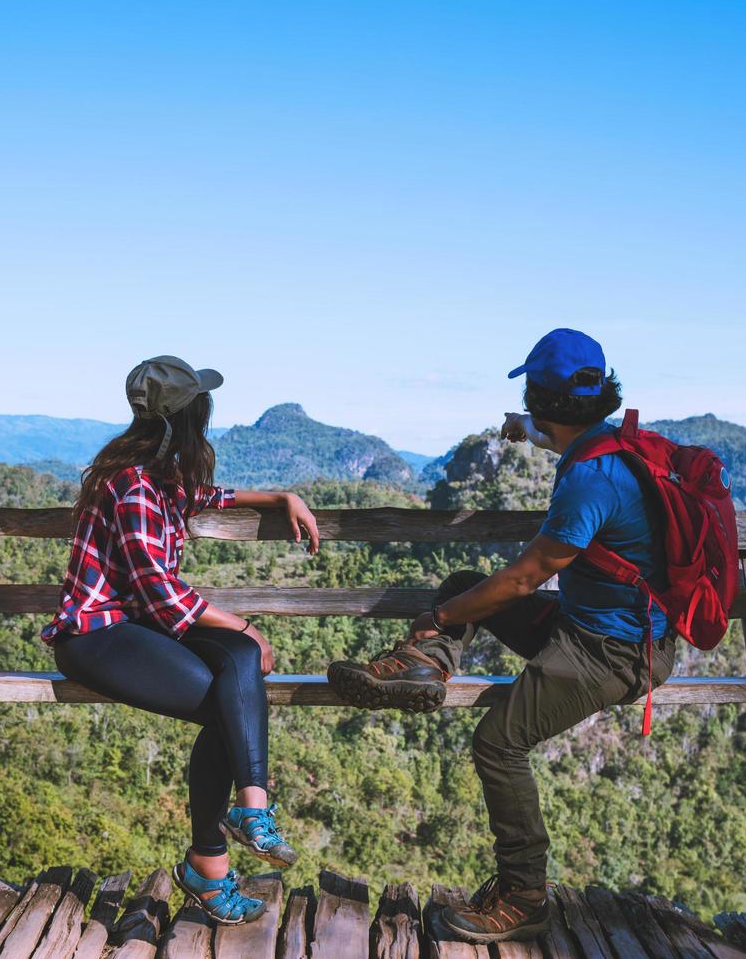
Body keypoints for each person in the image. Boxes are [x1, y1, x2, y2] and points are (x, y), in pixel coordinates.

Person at [327, 329, 674, 944]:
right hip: (597, 628)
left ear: (542, 395)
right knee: (464, 582)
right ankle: (426, 670)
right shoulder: (610, 443)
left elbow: (523, 580)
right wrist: (523, 426)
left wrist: (439, 619)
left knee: (498, 744)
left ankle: (524, 895)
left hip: (613, 652)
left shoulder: (591, 480)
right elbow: (550, 435)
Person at [41, 355, 321, 926]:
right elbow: (163, 595)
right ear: (189, 418)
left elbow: (204, 497)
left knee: (238, 664)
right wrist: (249, 625)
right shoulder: (134, 485)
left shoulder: (161, 475)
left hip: (140, 626)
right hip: (98, 634)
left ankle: (248, 814)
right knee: (234, 684)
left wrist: (275, 498)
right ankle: (213, 862)